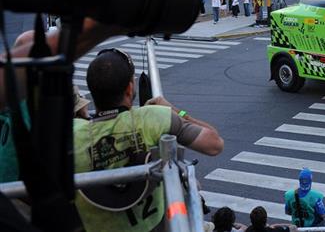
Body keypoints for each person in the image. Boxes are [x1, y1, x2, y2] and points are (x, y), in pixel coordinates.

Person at [73, 49, 224, 232]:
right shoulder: (153, 118)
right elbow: (215, 144)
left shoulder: (74, 135)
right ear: (130, 88)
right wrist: (175, 110)